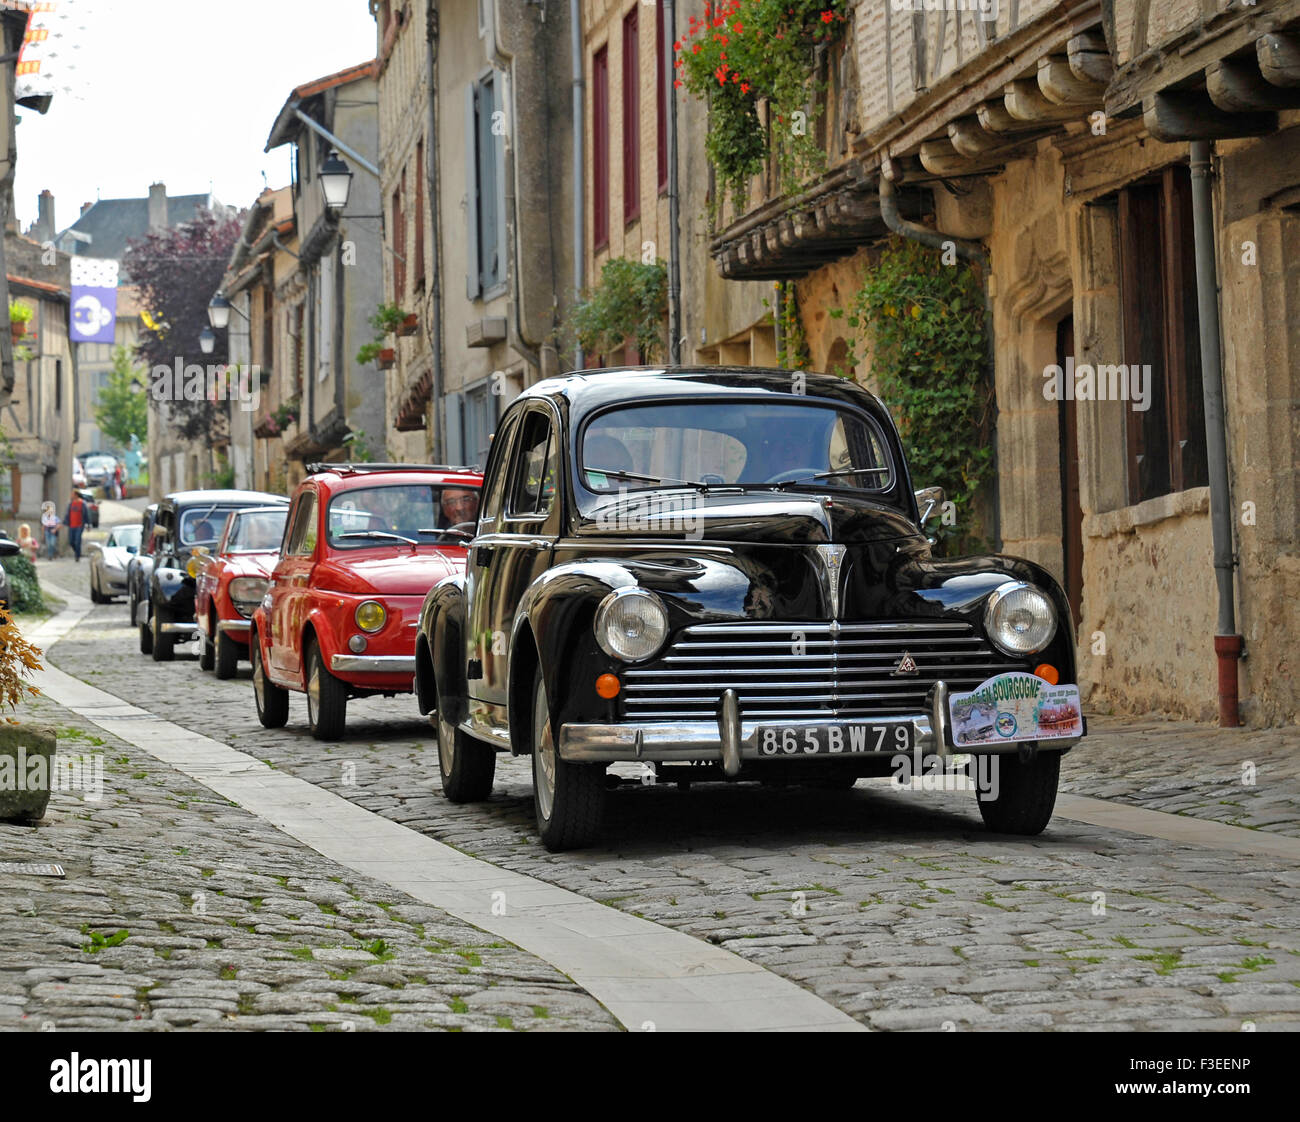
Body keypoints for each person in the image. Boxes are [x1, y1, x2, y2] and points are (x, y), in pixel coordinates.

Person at [64, 488, 88, 562]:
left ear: (76, 495)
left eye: (72, 494)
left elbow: (86, 514)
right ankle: (77, 552)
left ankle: (77, 556)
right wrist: (64, 522)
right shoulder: (70, 504)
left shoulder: (82, 503)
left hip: (79, 526)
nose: (71, 495)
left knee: (77, 541)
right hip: (72, 526)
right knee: (71, 542)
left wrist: (88, 524)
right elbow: (68, 514)